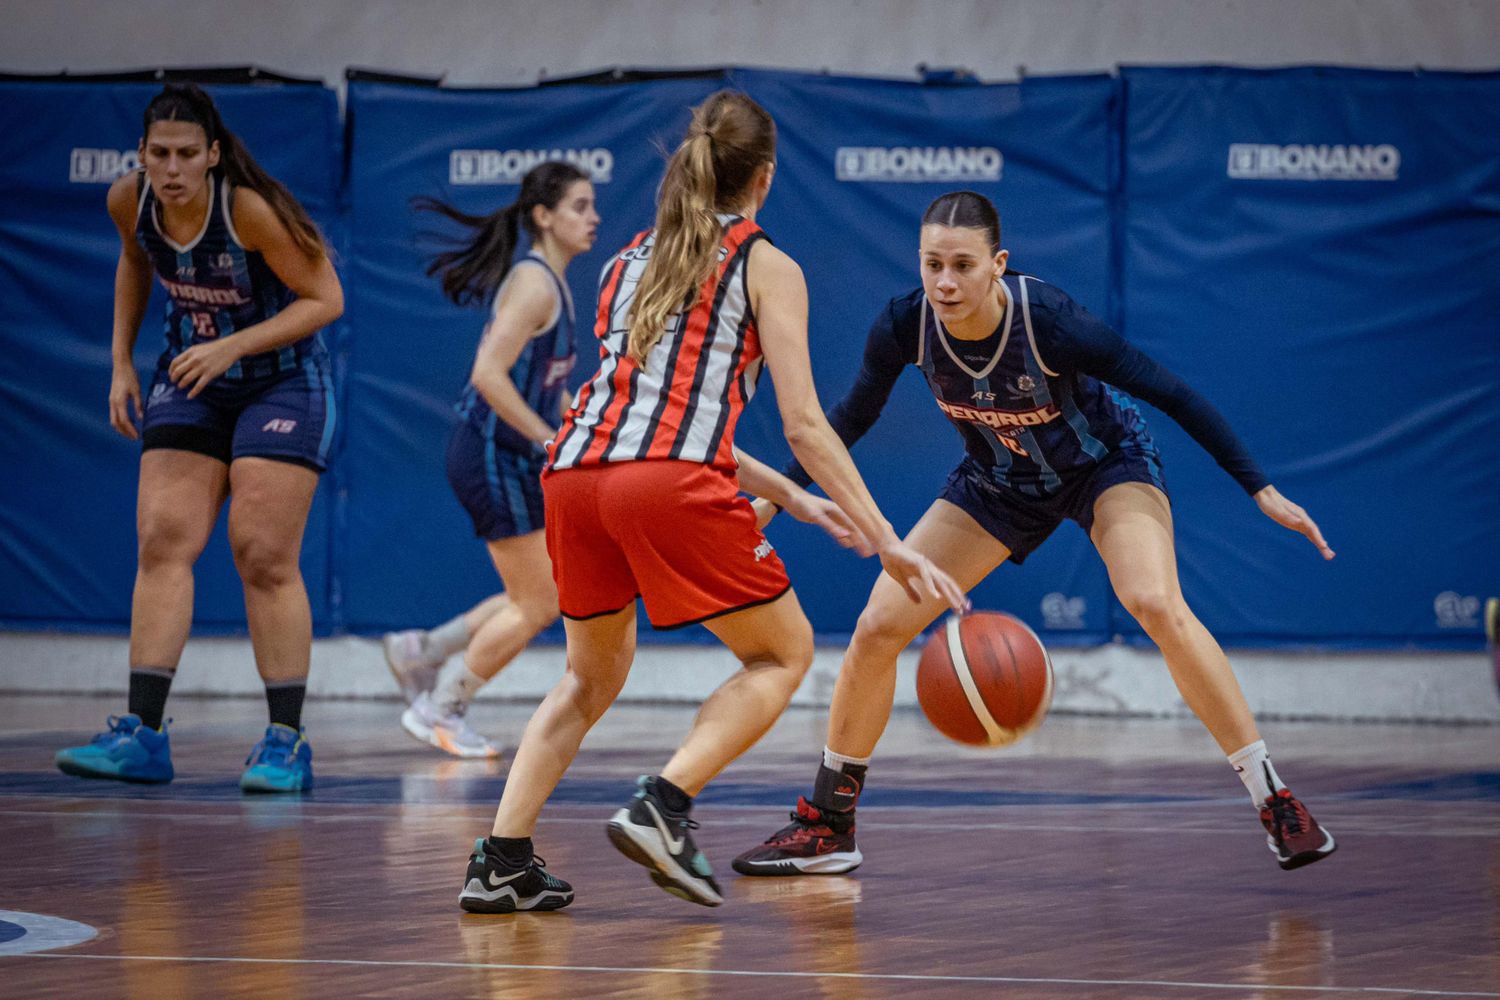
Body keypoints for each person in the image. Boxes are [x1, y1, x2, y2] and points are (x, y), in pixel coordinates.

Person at [456, 91, 967, 914]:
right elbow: (802, 421)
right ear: (763, 179)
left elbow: (647, 414)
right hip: (659, 479)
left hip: (573, 475)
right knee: (782, 654)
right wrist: (887, 539)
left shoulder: (627, 260)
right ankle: (665, 802)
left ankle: (501, 858)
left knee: (588, 680)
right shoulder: (766, 263)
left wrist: (790, 497)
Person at [732, 190, 1339, 877]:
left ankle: (1274, 799)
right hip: (1000, 481)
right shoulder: (905, 324)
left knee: (1154, 603)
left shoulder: (1049, 321)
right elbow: (846, 419)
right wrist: (775, 500)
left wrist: (1259, 487)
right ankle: (829, 825)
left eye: (962, 265)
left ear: (998, 265)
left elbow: (1171, 391)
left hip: (1104, 466)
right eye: (932, 264)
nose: (945, 282)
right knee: (878, 626)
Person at [54, 82, 343, 793]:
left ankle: (285, 742)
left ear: (213, 155)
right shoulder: (131, 200)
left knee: (262, 552)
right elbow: (135, 260)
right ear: (143, 156)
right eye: (161, 153)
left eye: (188, 153)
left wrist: (234, 346)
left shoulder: (249, 210)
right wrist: (121, 360)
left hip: (281, 381)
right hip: (191, 377)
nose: (174, 167)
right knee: (162, 537)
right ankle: (142, 735)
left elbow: (326, 298)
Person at [382, 162, 599, 759]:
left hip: (510, 454)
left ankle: (422, 651)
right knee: (539, 602)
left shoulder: (551, 284)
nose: (594, 217)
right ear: (544, 215)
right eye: (580, 206)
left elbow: (539, 384)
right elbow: (487, 376)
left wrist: (578, 419)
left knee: (533, 591)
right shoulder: (534, 283)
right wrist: (548, 439)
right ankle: (440, 708)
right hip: (490, 452)